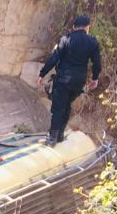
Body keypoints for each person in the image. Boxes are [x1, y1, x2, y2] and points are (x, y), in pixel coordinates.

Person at [38, 15, 102, 145]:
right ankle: (60, 134)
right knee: (66, 106)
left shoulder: (65, 39)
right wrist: (95, 78)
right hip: (78, 82)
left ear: (74, 27)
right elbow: (97, 63)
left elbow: (54, 58)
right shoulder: (92, 42)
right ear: (87, 27)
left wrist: (42, 74)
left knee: (58, 108)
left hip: (63, 80)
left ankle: (52, 138)